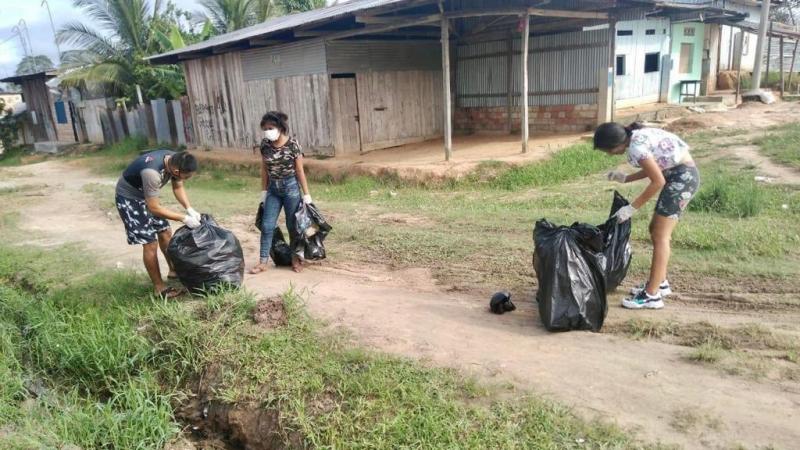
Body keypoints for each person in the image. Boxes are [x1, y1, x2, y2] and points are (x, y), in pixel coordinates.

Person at [594, 123, 700, 310]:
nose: (609, 154)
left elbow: (657, 181)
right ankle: (660, 282)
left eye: (608, 151)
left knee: (661, 236)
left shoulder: (636, 147)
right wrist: (625, 178)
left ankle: (652, 295)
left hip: (681, 179)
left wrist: (631, 208)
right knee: (654, 230)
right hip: (678, 176)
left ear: (616, 145)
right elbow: (655, 166)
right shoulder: (637, 136)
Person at [115, 149, 201, 299]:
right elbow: (154, 208)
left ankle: (173, 271)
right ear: (176, 171)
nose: (187, 179)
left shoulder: (176, 160)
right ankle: (159, 288)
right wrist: (184, 218)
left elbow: (178, 186)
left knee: (165, 231)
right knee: (150, 243)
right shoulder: (152, 174)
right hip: (129, 198)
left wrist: (189, 208)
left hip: (147, 195)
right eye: (186, 176)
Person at [250, 111, 312, 275]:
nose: (267, 132)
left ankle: (295, 259)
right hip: (273, 190)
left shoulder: (293, 145)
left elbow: (300, 171)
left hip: (291, 189)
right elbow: (264, 169)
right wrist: (264, 192)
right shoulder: (265, 145)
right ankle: (263, 261)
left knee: (292, 226)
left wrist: (306, 194)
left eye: (271, 128)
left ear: (280, 128)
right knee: (267, 225)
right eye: (265, 129)